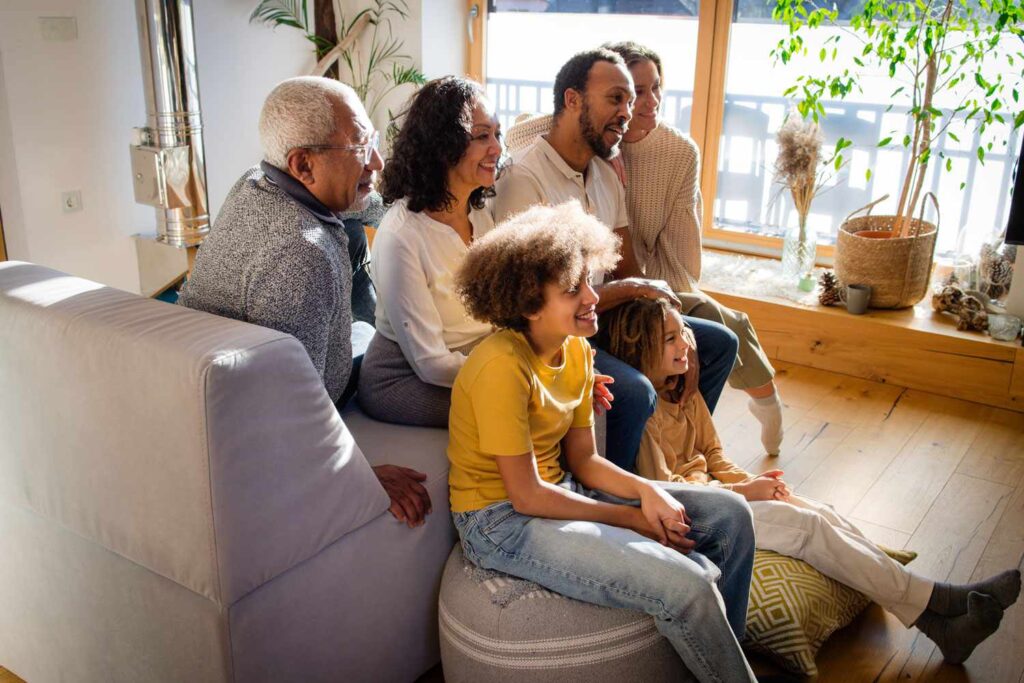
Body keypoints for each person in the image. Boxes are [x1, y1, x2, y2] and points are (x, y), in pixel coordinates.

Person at [600, 296, 1023, 665]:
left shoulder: (684, 393)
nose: (687, 344)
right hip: (700, 514)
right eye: (672, 338)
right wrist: (744, 493)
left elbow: (713, 455)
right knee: (811, 528)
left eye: (684, 333)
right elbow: (669, 488)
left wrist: (756, 481)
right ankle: (943, 601)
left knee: (822, 511)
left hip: (724, 493)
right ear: (640, 350)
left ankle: (939, 624)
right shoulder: (646, 414)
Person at [449, 201, 758, 683]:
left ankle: (719, 658)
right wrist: (631, 517)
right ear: (530, 302)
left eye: (589, 280)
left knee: (732, 517)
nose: (594, 296)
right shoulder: (498, 368)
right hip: (500, 522)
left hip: (564, 489)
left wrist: (647, 491)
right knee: (690, 585)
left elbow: (585, 459)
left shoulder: (576, 351)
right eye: (575, 289)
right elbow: (525, 495)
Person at [506, 43, 785, 457]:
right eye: (616, 99)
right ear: (572, 100)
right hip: (558, 331)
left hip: (600, 315)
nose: (628, 111)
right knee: (634, 392)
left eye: (632, 100)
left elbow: (625, 268)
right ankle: (624, 491)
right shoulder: (524, 178)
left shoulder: (604, 173)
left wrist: (674, 330)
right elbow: (540, 306)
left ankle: (677, 457)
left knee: (716, 342)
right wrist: (635, 290)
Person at [179, 77, 430, 528]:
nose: (375, 160)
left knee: (353, 239)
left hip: (287, 349)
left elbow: (360, 204)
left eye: (372, 140)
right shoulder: (302, 256)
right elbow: (288, 411)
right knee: (390, 357)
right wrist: (359, 479)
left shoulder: (258, 181)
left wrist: (417, 209)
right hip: (291, 400)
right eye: (360, 147)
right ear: (303, 164)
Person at [357, 77, 502, 427]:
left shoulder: (480, 212)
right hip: (405, 377)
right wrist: (514, 376)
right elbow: (431, 363)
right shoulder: (402, 235)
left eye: (497, 134)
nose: (496, 148)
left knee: (565, 391)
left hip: (479, 358)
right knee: (524, 411)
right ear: (443, 145)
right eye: (482, 136)